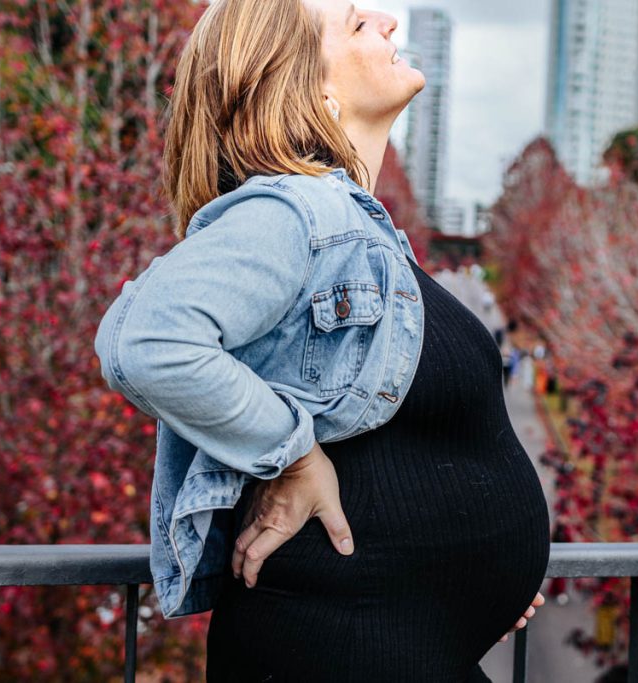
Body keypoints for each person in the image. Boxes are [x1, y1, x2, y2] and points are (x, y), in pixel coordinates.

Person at [93, 1, 550, 680]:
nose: (388, 24)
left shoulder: (360, 236)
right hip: (341, 643)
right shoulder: (298, 211)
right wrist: (297, 455)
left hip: (400, 636)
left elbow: (405, 449)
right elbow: (147, 340)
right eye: (358, 24)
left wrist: (467, 576)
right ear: (309, 87)